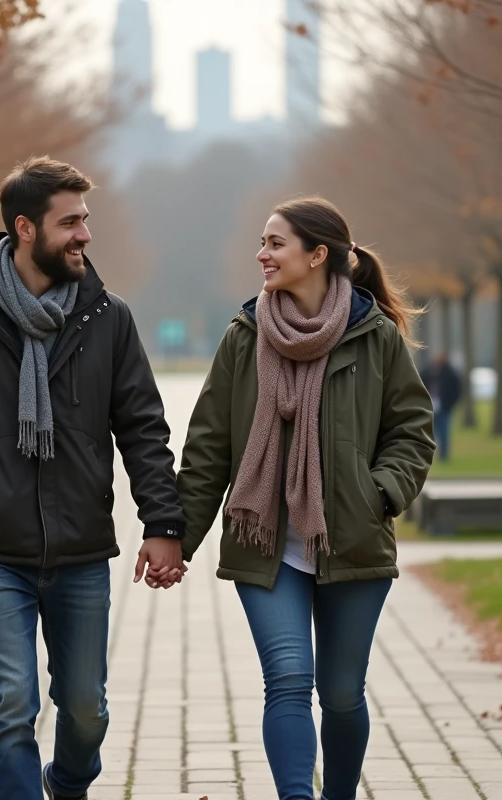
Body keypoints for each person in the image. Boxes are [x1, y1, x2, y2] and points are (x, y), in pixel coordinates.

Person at [0, 157, 185, 800]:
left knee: (85, 710)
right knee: (12, 703)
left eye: (86, 220)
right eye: (69, 222)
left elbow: (143, 428)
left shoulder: (108, 318)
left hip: (80, 550)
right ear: (25, 228)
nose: (84, 235)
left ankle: (69, 782)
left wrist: (162, 524)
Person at [170, 197, 435, 800]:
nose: (261, 254)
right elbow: (209, 446)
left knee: (341, 694)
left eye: (275, 243)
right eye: (262, 243)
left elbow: (412, 432)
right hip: (266, 545)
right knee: (288, 680)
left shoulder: (375, 337)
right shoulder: (244, 335)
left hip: (354, 541)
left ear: (318, 255)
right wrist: (177, 540)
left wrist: (379, 494)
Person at [421, 352, 461, 462]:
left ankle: (444, 456)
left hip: (444, 407)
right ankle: (427, 455)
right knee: (428, 432)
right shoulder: (428, 371)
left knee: (444, 433)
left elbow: (457, 390)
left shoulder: (450, 373)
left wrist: (450, 404)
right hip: (429, 406)